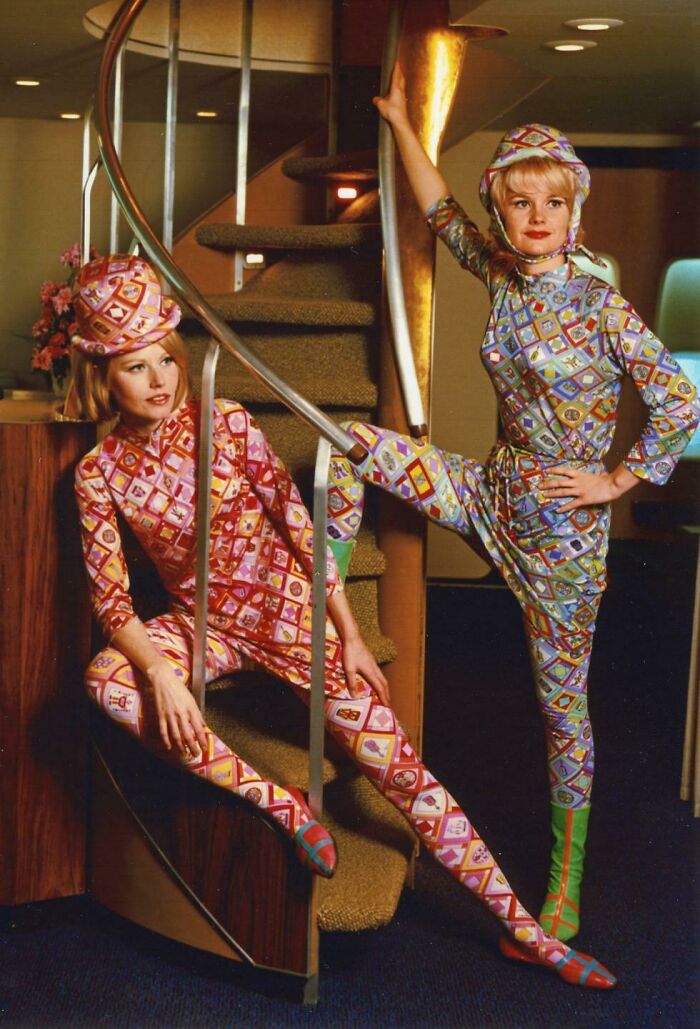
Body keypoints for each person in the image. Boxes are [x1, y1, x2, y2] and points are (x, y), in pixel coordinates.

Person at [72, 253, 616, 988]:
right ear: (105, 376)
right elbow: (112, 603)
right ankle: (283, 805)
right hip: (201, 625)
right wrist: (162, 671)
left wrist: (350, 633)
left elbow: (301, 525)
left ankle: (525, 929)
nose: (161, 380)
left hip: (288, 612)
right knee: (108, 682)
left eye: (165, 359)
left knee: (401, 771)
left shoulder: (227, 422)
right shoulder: (98, 472)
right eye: (136, 368)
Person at [326, 65, 700, 944]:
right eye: (522, 203)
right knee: (348, 441)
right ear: (507, 211)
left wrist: (616, 479)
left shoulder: (603, 306)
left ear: (577, 211)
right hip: (489, 489)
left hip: (564, 543)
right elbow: (438, 210)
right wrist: (397, 124)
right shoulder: (502, 270)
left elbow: (680, 401)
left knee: (560, 714)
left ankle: (564, 889)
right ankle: (323, 604)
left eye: (554, 204)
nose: (537, 218)